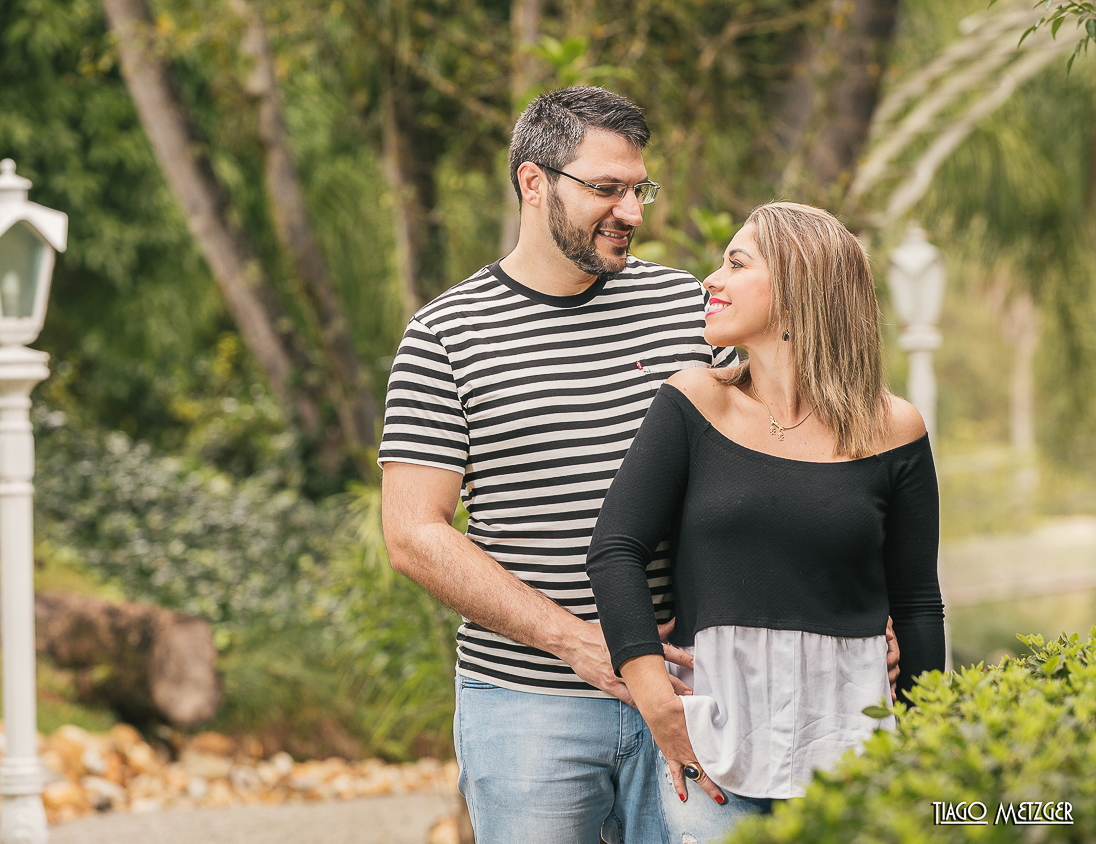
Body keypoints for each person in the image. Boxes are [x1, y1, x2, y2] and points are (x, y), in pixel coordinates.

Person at [379, 87, 898, 842]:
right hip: (528, 707)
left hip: (701, 695)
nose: (632, 211)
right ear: (533, 183)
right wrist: (581, 644)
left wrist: (853, 613)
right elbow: (414, 534)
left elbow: (803, 450)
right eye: (606, 189)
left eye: (639, 189)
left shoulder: (689, 307)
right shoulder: (444, 337)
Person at [586, 201, 946, 843]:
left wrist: (926, 737)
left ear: (799, 286)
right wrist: (653, 693)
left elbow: (918, 600)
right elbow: (616, 548)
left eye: (736, 263)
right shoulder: (696, 400)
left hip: (854, 748)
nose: (710, 281)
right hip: (716, 750)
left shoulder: (894, 428)